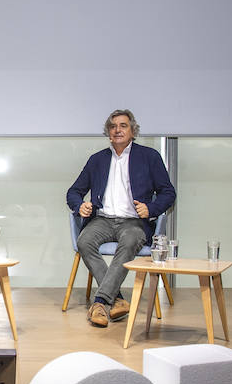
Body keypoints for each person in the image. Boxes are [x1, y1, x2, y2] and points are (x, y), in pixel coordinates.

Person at [65, 109, 175, 328]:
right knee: (84, 242)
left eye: (123, 126)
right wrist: (81, 205)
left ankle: (100, 302)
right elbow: (73, 192)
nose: (118, 130)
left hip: (133, 221)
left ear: (133, 131)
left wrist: (151, 208)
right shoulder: (97, 160)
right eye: (113, 126)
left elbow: (168, 192)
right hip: (103, 219)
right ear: (108, 132)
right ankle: (117, 300)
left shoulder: (149, 157)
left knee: (129, 242)